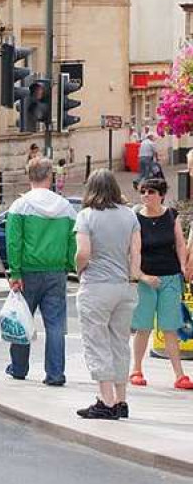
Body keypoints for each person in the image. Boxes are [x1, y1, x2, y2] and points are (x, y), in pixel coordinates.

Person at [74, 169, 141, 419]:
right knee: (120, 343)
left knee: (97, 343)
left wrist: (79, 270)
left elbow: (83, 253)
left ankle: (107, 402)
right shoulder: (129, 215)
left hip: (96, 286)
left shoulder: (86, 216)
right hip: (125, 286)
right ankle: (121, 400)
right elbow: (136, 252)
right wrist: (133, 279)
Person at [5, 157, 77, 385]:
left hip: (27, 271)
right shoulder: (65, 207)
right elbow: (73, 241)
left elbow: (13, 242)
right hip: (56, 272)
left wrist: (15, 272)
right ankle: (55, 374)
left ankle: (18, 368)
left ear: (29, 177)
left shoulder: (20, 206)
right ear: (50, 177)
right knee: (55, 325)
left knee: (21, 319)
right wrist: (70, 266)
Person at [129, 177, 193, 390]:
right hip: (148, 279)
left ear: (161, 195)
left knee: (170, 327)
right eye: (143, 192)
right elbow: (135, 250)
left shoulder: (171, 215)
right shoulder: (137, 219)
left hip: (170, 276)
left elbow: (180, 243)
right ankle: (136, 369)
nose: (146, 196)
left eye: (151, 192)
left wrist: (183, 267)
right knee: (143, 326)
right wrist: (141, 276)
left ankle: (179, 375)